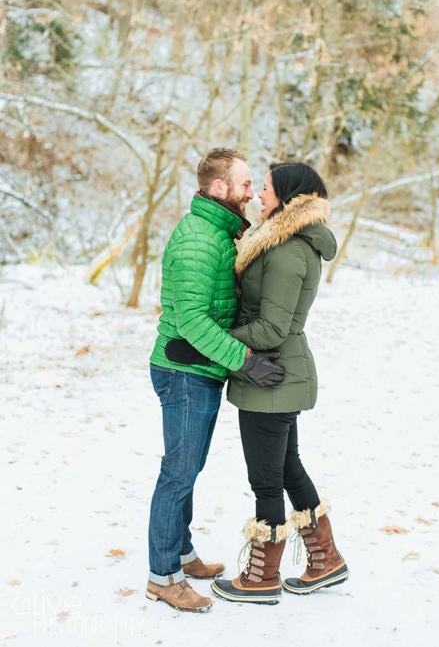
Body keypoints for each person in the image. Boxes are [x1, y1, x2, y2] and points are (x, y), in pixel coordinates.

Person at [178, 162, 347, 605]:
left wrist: (213, 345)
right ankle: (325, 560)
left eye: (267, 189)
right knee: (288, 468)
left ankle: (261, 577)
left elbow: (271, 329)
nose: (257, 195)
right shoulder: (278, 241)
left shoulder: (288, 251)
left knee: (267, 481)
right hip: (271, 374)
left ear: (289, 197)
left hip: (271, 374)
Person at [145, 148, 286, 613]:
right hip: (183, 371)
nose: (251, 193)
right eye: (246, 185)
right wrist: (244, 360)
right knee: (178, 473)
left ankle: (182, 555)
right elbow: (191, 319)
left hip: (199, 370)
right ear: (219, 187)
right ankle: (162, 576)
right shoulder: (198, 240)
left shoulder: (220, 232)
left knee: (188, 469)